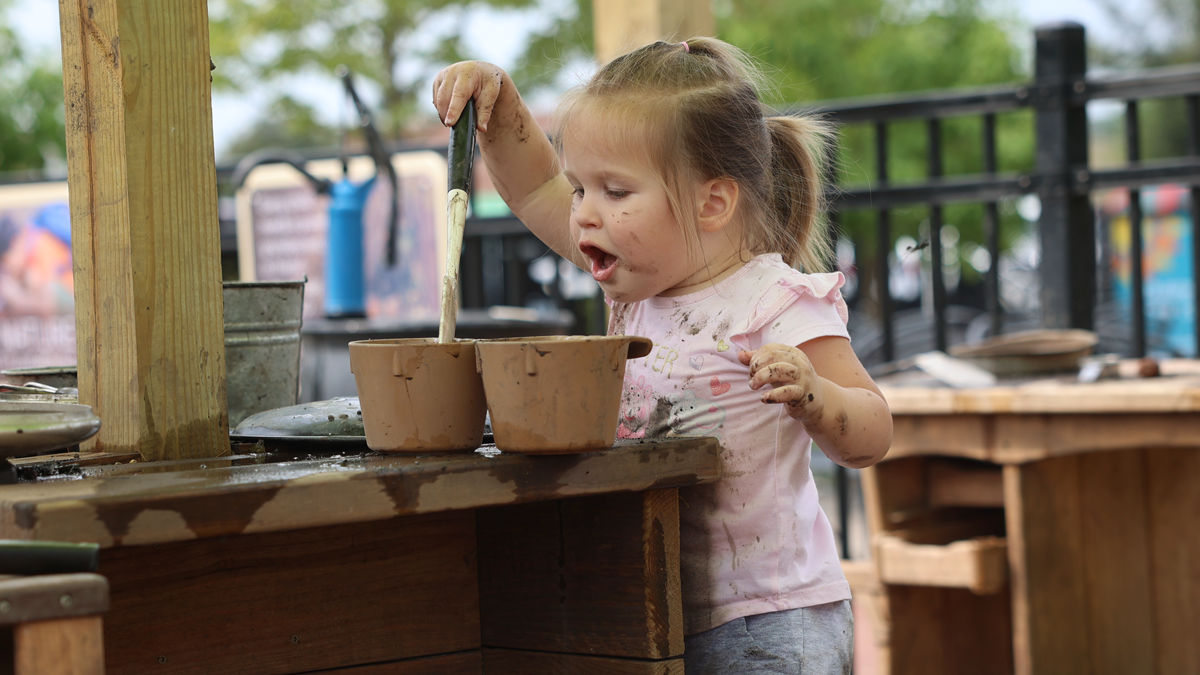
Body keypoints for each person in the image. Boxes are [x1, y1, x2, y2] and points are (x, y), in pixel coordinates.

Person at [433, 37, 892, 674]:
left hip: (772, 618)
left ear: (712, 202)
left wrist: (816, 395)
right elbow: (536, 182)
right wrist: (498, 99)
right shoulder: (640, 283)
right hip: (660, 606)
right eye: (580, 191)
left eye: (616, 192)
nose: (585, 215)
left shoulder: (772, 301)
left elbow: (872, 432)